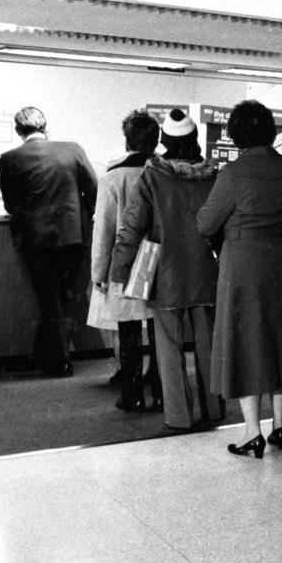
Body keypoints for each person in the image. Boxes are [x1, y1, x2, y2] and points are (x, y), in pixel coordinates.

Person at [196, 100, 282, 458]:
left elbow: (206, 223)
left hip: (242, 264)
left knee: (245, 342)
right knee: (280, 337)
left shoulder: (233, 173)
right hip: (281, 261)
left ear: (236, 132)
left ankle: (251, 432)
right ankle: (279, 425)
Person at [111, 108, 224, 431]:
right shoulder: (213, 176)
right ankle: (214, 409)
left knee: (168, 349)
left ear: (165, 141)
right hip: (206, 273)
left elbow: (131, 228)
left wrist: (120, 272)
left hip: (166, 275)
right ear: (194, 139)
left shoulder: (152, 176)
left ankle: (179, 416)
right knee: (208, 346)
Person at [0, 106, 98, 377]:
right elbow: (93, 188)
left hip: (35, 238)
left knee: (49, 297)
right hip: (72, 236)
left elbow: (9, 203)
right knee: (60, 297)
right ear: (45, 127)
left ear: (19, 131)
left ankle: (58, 361)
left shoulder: (9, 159)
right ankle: (45, 353)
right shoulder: (72, 149)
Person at [89, 110, 160, 411]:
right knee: (160, 330)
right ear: (156, 140)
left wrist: (98, 272)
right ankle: (161, 388)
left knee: (129, 329)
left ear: (127, 141)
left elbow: (103, 228)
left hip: (125, 262)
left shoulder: (112, 177)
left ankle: (132, 395)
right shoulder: (164, 173)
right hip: (159, 262)